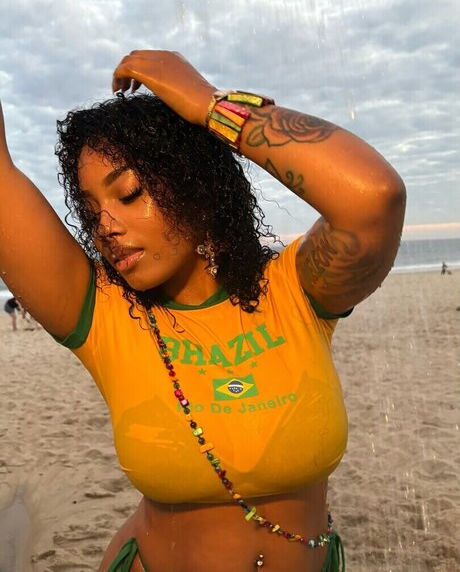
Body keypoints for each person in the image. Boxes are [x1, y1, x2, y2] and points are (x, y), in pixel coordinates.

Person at [0, 50, 406, 572]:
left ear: (195, 183)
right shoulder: (102, 311)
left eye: (129, 193)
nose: (105, 226)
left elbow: (374, 198)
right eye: (90, 208)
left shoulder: (296, 289)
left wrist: (210, 105)